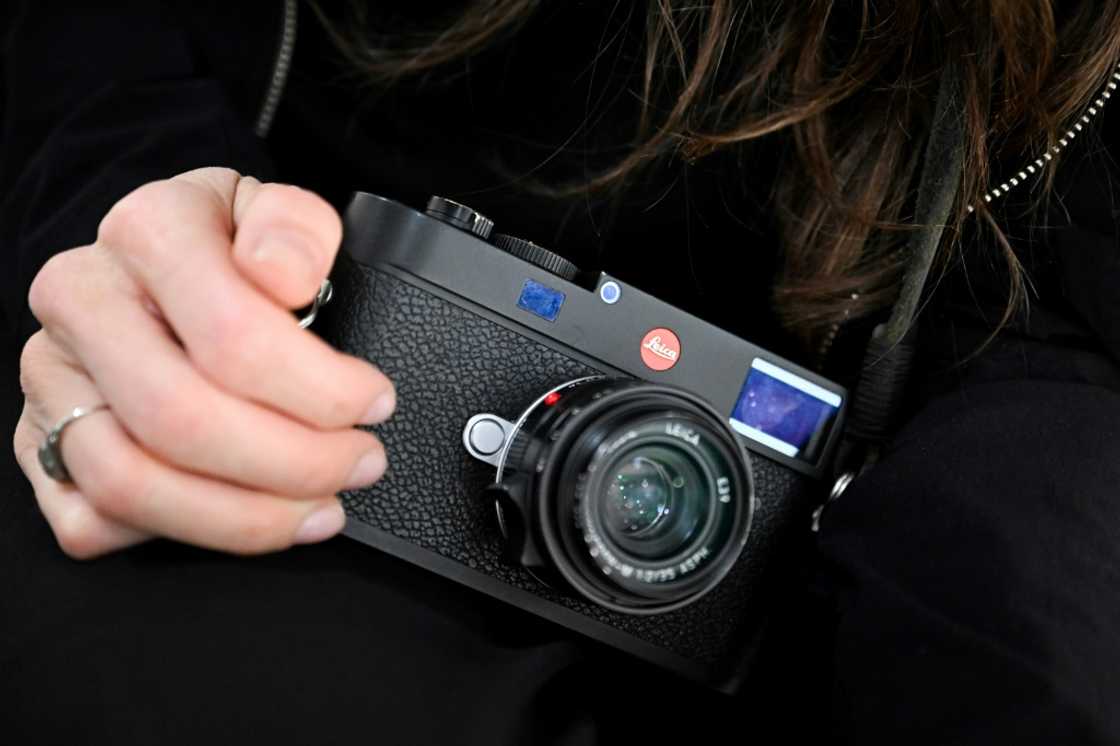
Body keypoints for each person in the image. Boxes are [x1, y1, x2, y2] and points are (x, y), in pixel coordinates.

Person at [3, 0, 1119, 743]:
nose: (642, 496)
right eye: (647, 494)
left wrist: (1013, 571)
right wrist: (128, 214)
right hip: (279, 368)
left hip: (855, 522)